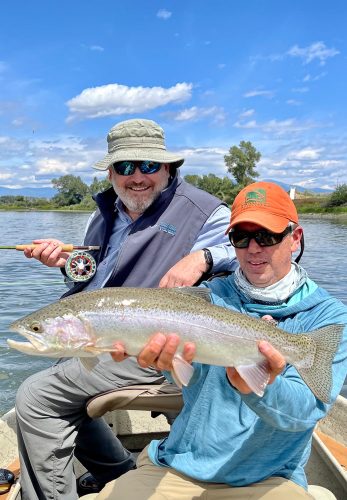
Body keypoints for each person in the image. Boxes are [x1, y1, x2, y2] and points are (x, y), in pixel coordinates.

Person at [15, 118, 236, 500]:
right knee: (57, 373)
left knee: (35, 398)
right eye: (125, 167)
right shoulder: (100, 216)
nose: (137, 177)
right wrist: (65, 264)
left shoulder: (206, 212)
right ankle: (116, 471)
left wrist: (205, 256)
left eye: (148, 166)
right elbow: (89, 284)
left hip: (169, 349)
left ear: (168, 167)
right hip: (108, 338)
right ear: (112, 172)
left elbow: (270, 250)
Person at [96, 181, 347, 500]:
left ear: (295, 239)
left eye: (267, 236)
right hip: (181, 467)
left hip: (269, 479)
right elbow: (191, 380)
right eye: (241, 237)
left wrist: (263, 386)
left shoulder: (329, 317)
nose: (253, 248)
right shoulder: (210, 297)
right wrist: (167, 363)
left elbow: (304, 413)